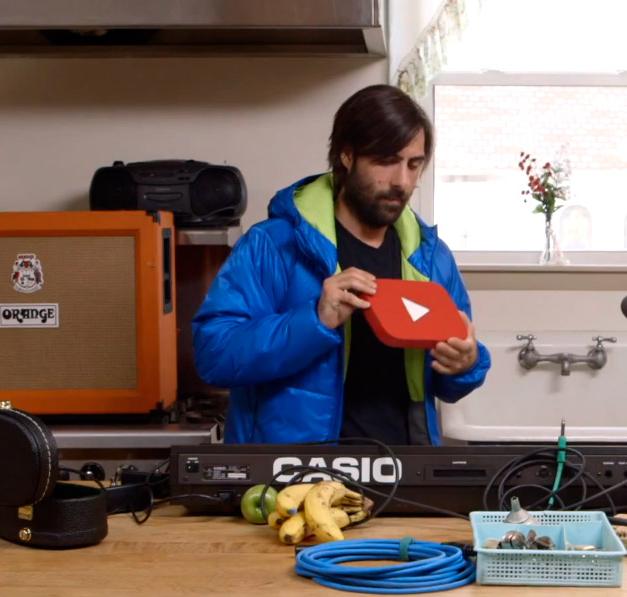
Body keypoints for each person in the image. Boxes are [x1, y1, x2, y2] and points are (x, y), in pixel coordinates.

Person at [192, 84, 491, 445]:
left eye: (414, 164)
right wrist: (314, 320)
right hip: (298, 472)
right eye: (386, 161)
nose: (402, 182)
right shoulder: (272, 245)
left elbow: (450, 381)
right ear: (347, 155)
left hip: (402, 468)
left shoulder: (432, 258)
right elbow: (214, 355)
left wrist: (466, 364)